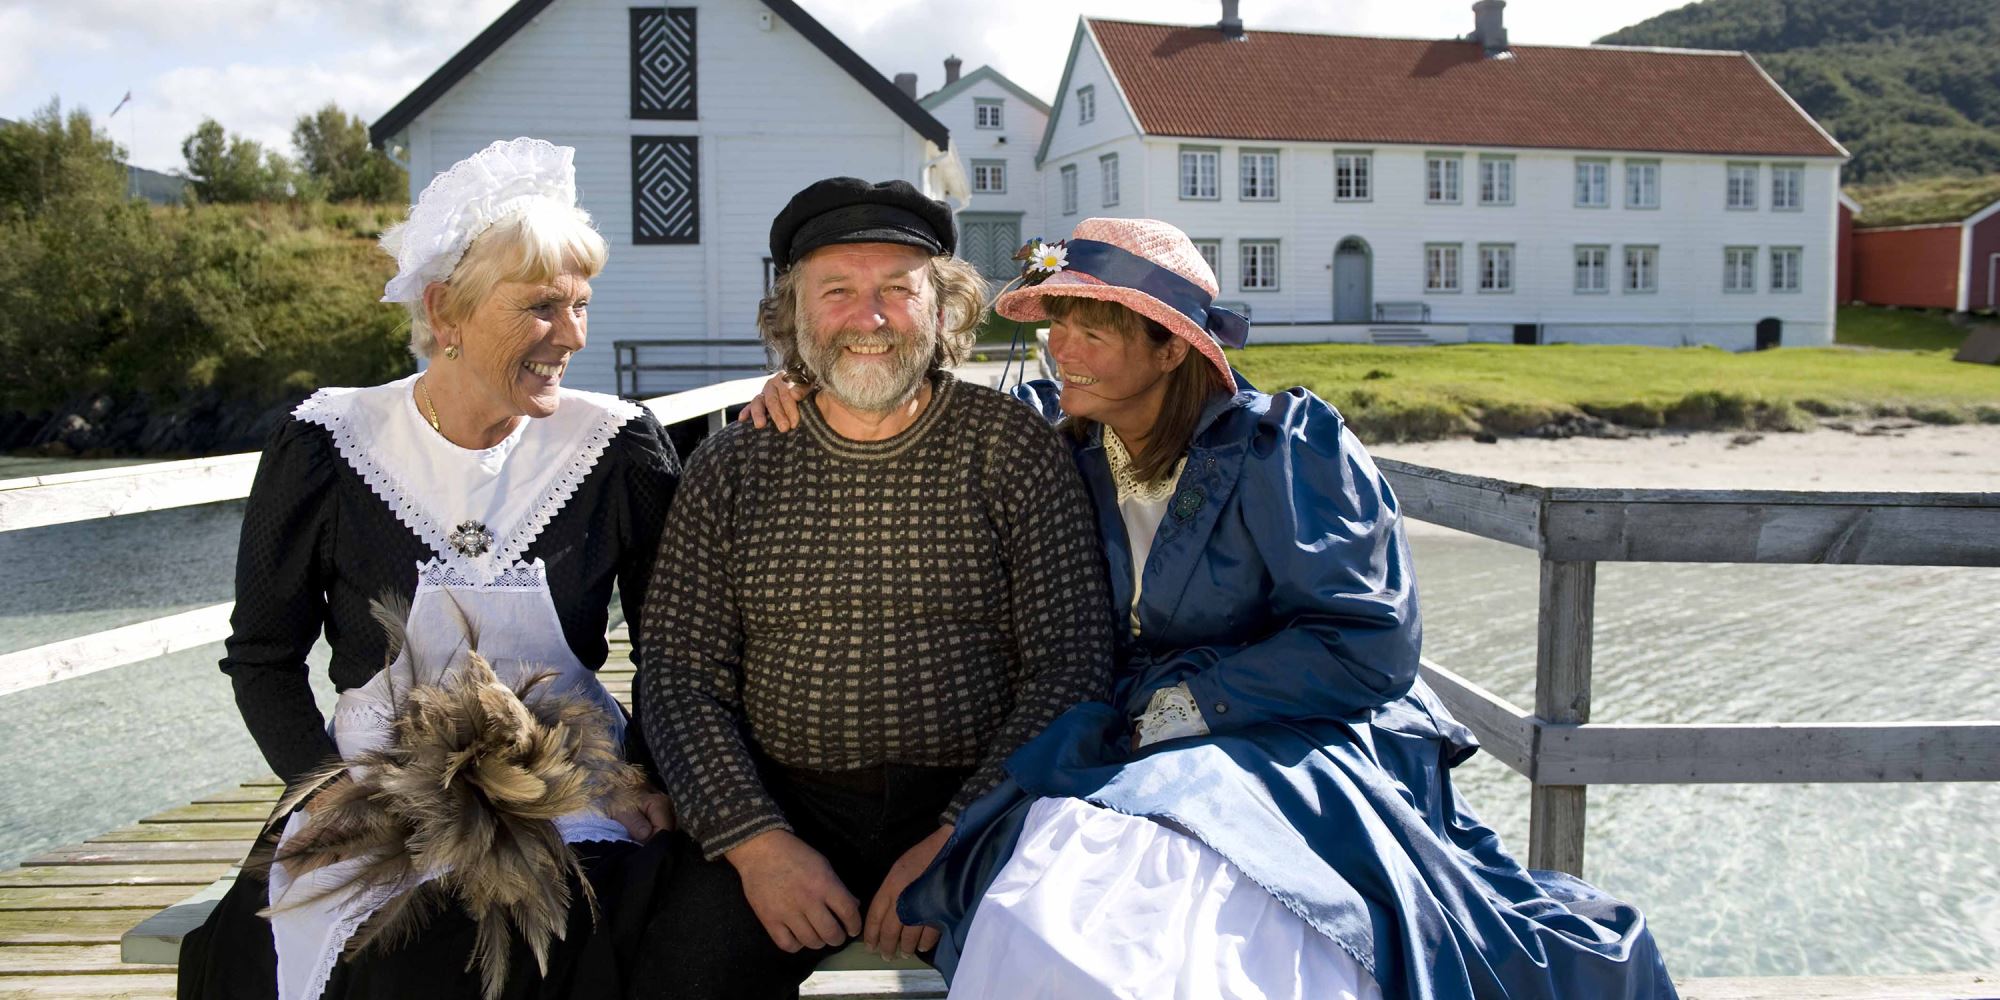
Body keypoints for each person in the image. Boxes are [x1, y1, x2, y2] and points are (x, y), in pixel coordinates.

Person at [747, 218, 1679, 999]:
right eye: (1054, 328)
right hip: (1117, 732)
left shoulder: (1287, 449)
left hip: (1294, 730)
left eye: (1091, 332)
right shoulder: (1059, 441)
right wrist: (802, 385)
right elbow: (912, 404)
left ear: (1170, 348)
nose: (1060, 350)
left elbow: (1369, 645)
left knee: (1210, 903)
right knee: (1065, 889)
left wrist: (1182, 709)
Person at [177, 137, 681, 1000]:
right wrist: (325, 788)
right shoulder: (328, 445)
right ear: (445, 311)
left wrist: (644, 776)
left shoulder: (617, 448)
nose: (571, 337)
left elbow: (678, 650)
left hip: (570, 788)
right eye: (541, 309)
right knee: (340, 948)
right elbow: (261, 656)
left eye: (581, 306)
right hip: (369, 788)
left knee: (563, 944)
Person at [630, 177, 1114, 1000]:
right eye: (840, 292)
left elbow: (1070, 663)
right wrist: (755, 843)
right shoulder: (732, 466)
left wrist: (961, 834)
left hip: (978, 806)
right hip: (782, 801)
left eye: (899, 289)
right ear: (795, 315)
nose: (872, 318)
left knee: (1062, 974)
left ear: (941, 308)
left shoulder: (1010, 449)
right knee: (670, 972)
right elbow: (679, 675)